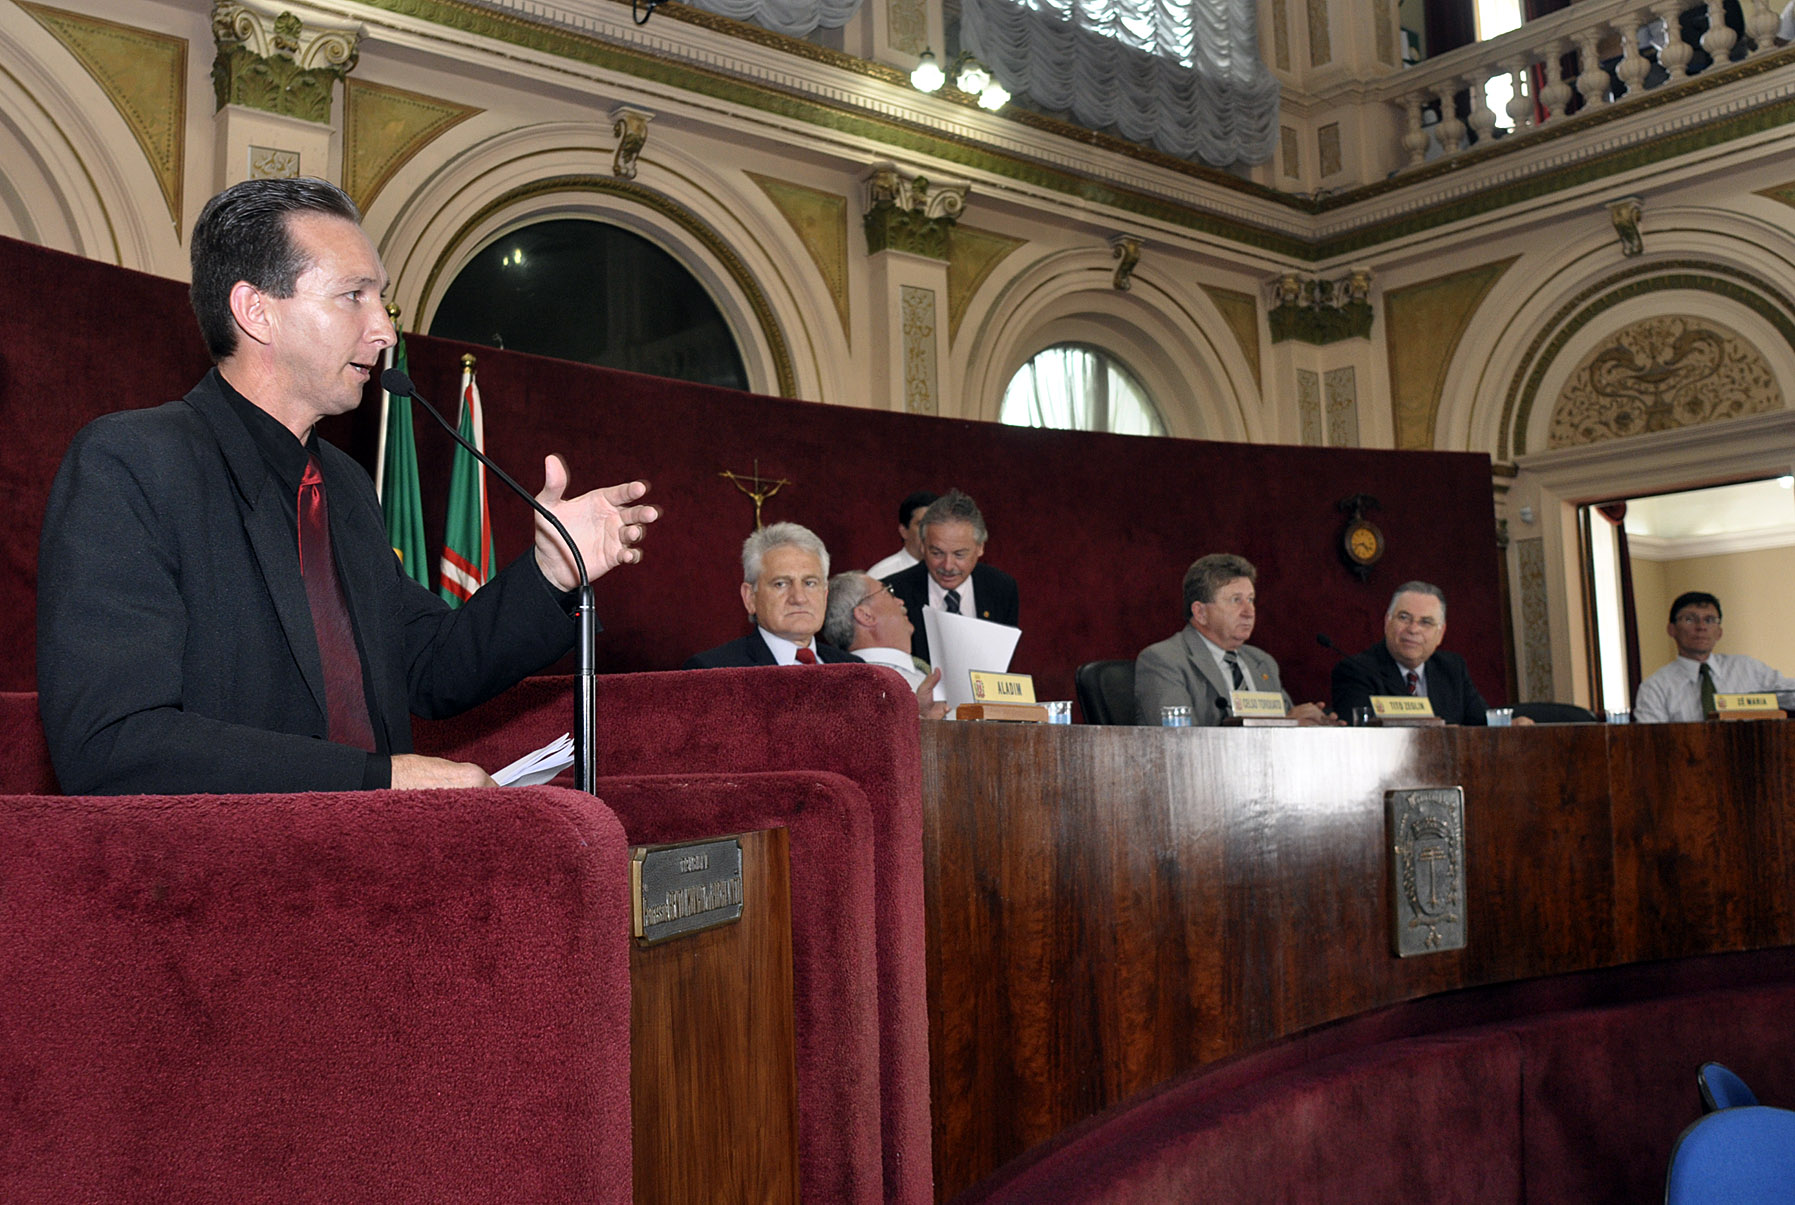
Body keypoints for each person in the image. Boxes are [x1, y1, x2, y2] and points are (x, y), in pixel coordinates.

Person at [36, 176, 658, 796]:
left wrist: (550, 573)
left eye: (380, 299)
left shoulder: (344, 484)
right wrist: (375, 781)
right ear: (256, 311)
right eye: (353, 296)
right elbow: (112, 745)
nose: (385, 331)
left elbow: (430, 667)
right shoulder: (133, 464)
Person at [1134, 554, 1332, 726]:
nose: (1249, 612)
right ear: (1200, 612)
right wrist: (1288, 722)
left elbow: (1290, 719)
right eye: (1236, 600)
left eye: (1251, 600)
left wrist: (1313, 724)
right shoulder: (1164, 660)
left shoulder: (1262, 662)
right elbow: (1179, 741)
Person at [684, 522, 860, 668]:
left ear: (825, 592)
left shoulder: (856, 669)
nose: (799, 598)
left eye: (810, 583)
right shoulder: (712, 672)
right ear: (750, 597)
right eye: (781, 584)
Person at [1331, 582, 1499, 726]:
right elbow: (1361, 735)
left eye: (1426, 622)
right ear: (1387, 623)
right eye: (1404, 618)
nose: (1413, 629)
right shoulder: (1356, 670)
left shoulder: (1452, 668)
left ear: (1441, 633)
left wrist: (1512, 724)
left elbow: (1484, 724)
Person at [883, 489, 1019, 666]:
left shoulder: (1001, 588)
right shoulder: (894, 591)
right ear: (923, 546)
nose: (947, 566)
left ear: (980, 548)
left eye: (959, 554)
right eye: (937, 553)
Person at [1633, 591, 1795, 722]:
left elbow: (1790, 694)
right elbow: (1650, 741)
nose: (1701, 627)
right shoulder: (1655, 687)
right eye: (1690, 619)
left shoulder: (1748, 668)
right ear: (1672, 629)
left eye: (1709, 620)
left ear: (1719, 632)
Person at [823, 570, 949, 718]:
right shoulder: (862, 687)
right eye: (888, 592)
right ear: (866, 616)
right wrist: (918, 718)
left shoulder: (916, 672)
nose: (900, 601)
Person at [866, 490, 938, 580]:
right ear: (904, 531)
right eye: (922, 524)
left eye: (936, 523)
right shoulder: (880, 576)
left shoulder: (953, 573)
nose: (931, 531)